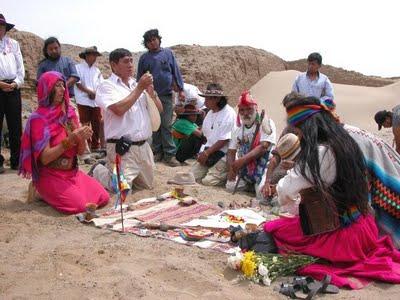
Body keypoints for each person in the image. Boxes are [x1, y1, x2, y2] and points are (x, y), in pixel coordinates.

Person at [263, 95, 400, 289]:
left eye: (298, 129)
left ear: (305, 128)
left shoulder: (320, 153)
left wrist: (288, 183)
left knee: (275, 230)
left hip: (346, 241)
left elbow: (285, 191)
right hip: (366, 227)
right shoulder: (346, 140)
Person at [18, 71, 109, 214]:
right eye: (57, 86)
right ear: (47, 90)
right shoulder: (38, 119)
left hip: (72, 173)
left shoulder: (69, 114)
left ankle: (54, 193)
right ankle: (38, 191)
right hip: (50, 174)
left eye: (63, 85)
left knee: (103, 197)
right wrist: (70, 140)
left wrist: (81, 138)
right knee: (79, 206)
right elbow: (45, 158)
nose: (63, 89)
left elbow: (79, 152)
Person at [93, 48, 163, 191]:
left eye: (131, 60)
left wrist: (152, 94)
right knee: (120, 189)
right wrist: (139, 88)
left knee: (147, 186)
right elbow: (118, 110)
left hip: (143, 148)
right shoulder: (107, 86)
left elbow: (159, 110)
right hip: (123, 149)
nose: (130, 64)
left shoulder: (136, 84)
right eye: (126, 61)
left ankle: (117, 173)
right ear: (113, 65)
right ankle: (98, 171)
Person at [137, 29, 184, 167]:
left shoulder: (168, 53)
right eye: (149, 41)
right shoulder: (144, 58)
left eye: (154, 39)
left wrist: (180, 89)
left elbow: (175, 71)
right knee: (154, 124)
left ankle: (170, 154)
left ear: (159, 39)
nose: (152, 43)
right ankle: (157, 152)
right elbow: (140, 76)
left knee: (166, 124)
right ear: (146, 44)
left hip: (166, 94)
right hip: (151, 95)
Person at [226, 91, 276, 199]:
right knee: (229, 186)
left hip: (263, 168)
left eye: (249, 109)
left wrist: (240, 161)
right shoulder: (237, 128)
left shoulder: (266, 123)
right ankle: (250, 185)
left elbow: (263, 147)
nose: (245, 113)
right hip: (244, 169)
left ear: (255, 109)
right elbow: (231, 151)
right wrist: (232, 168)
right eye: (242, 110)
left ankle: (258, 185)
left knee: (262, 196)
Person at [191, 83, 236, 186]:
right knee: (192, 176)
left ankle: (227, 174)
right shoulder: (210, 113)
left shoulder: (229, 113)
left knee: (207, 181)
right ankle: (212, 170)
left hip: (223, 154)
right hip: (210, 152)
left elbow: (224, 140)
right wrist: (202, 152)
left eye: (208, 99)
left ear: (217, 99)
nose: (205, 101)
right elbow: (207, 137)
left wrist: (206, 153)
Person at [0, 13, 25, 173]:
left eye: (1, 27)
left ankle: (16, 160)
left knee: (15, 126)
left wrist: (16, 83)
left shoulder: (13, 44)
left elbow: (20, 66)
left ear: (5, 28)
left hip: (13, 87)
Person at [74, 46, 104, 152]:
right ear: (86, 56)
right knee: (85, 123)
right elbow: (78, 84)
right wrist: (90, 92)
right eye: (92, 55)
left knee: (96, 123)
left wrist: (96, 93)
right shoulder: (78, 68)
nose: (94, 57)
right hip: (83, 99)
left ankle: (96, 146)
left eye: (95, 55)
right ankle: (86, 146)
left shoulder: (97, 70)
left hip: (95, 101)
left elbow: (101, 84)